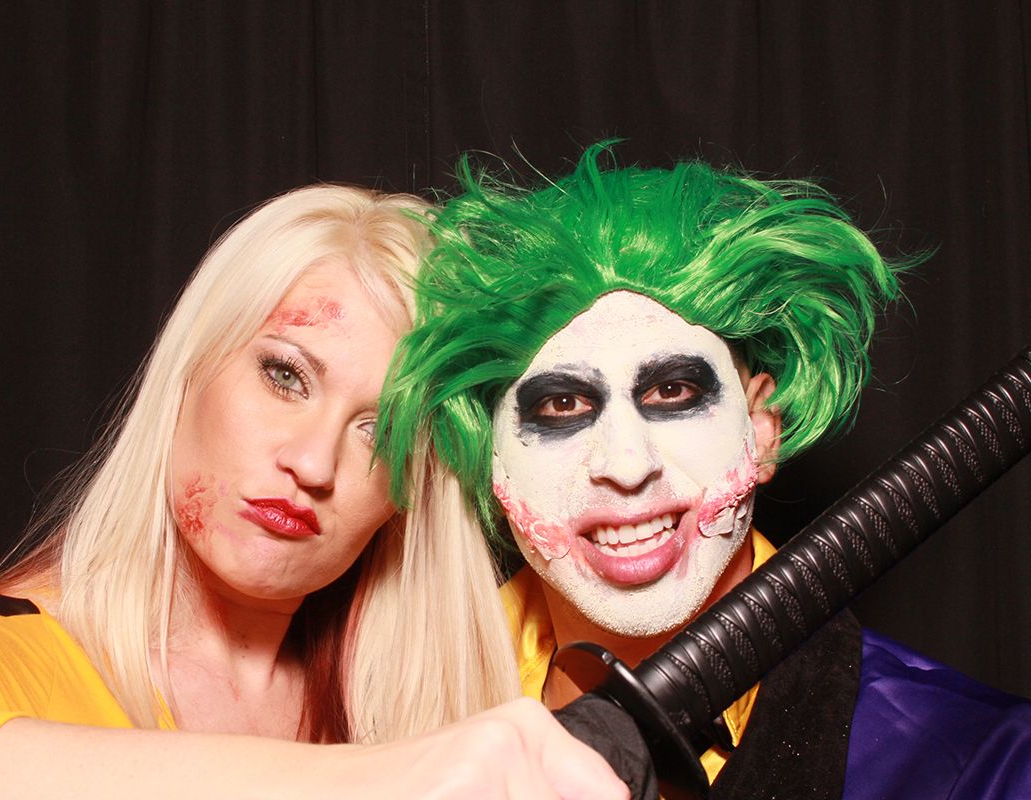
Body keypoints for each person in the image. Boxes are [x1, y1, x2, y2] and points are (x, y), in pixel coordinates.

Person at [0, 185, 629, 800]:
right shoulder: (1, 657)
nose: (313, 463)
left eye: (381, 430)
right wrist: (373, 782)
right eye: (285, 375)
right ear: (189, 367)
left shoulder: (460, 693)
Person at [378, 144, 1031, 798]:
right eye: (563, 405)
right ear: (490, 460)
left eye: (673, 392)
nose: (626, 466)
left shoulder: (977, 766)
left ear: (762, 427)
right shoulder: (378, 717)